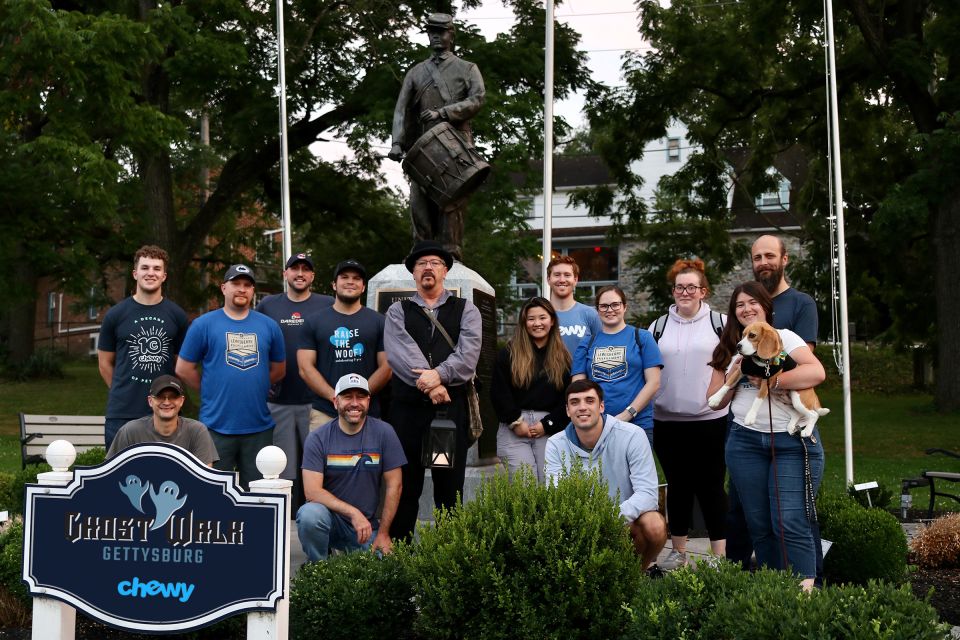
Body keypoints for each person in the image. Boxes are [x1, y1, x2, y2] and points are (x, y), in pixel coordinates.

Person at [706, 281, 825, 590]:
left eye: (752, 303)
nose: (746, 309)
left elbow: (816, 373)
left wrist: (770, 379)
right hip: (744, 441)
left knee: (789, 521)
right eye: (739, 305)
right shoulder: (734, 345)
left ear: (765, 306)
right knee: (758, 524)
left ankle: (806, 593)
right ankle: (776, 591)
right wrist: (733, 371)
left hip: (790, 440)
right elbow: (711, 398)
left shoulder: (783, 337)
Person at [383, 240, 482, 541]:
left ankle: (448, 563)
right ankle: (400, 557)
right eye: (421, 263)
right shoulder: (398, 311)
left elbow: (467, 357)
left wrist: (437, 377)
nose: (428, 267)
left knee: (449, 489)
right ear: (413, 272)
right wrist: (430, 384)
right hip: (406, 413)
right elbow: (400, 353)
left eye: (435, 263)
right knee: (406, 486)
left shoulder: (467, 310)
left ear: (445, 271)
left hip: (450, 411)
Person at [175, 264, 285, 490]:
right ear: (223, 288)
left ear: (253, 291)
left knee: (258, 495)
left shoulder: (269, 326)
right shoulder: (203, 324)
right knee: (212, 494)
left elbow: (279, 370)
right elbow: (184, 368)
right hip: (216, 426)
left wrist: (258, 385)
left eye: (247, 285)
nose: (242, 289)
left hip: (258, 427)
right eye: (236, 284)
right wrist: (209, 389)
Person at [649, 259, 728, 569]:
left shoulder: (719, 323)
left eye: (691, 286)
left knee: (711, 487)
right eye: (679, 287)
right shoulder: (657, 327)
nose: (685, 292)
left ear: (702, 291)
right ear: (673, 291)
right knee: (678, 486)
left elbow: (735, 365)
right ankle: (679, 552)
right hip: (667, 421)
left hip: (710, 420)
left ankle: (719, 556)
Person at [388, 13, 485, 260]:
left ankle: (451, 252)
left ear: (451, 35)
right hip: (423, 146)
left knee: (453, 201)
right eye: (431, 32)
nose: (435, 36)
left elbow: (477, 99)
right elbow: (401, 109)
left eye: (440, 32)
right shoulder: (416, 72)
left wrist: (444, 112)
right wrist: (398, 142)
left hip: (457, 144)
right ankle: (421, 251)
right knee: (418, 200)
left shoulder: (467, 68)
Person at [545, 380, 667, 572]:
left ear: (601, 406)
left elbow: (648, 495)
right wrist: (589, 522)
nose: (582, 407)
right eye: (575, 402)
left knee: (655, 525)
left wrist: (609, 518)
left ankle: (635, 577)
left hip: (626, 522)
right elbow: (556, 494)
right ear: (567, 411)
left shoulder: (633, 435)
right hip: (581, 527)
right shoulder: (555, 444)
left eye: (589, 400)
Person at [296, 374, 406, 561]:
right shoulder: (318, 438)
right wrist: (353, 513)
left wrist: (384, 533)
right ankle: (319, 569)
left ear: (368, 401)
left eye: (360, 397)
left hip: (365, 528)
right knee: (309, 515)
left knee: (384, 570)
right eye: (348, 397)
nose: (355, 403)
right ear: (335, 402)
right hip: (330, 521)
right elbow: (312, 492)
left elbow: (395, 485)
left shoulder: (384, 432)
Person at [256, 253, 333, 504]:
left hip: (317, 401)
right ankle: (285, 521)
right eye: (294, 268)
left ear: (312, 276)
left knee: (318, 464)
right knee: (283, 468)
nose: (300, 273)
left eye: (305, 269)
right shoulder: (268, 305)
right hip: (279, 400)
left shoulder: (327, 304)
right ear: (285, 274)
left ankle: (316, 517)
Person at [98, 245, 189, 450]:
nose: (150, 273)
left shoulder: (177, 316)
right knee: (119, 477)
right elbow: (104, 363)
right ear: (135, 273)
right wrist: (121, 392)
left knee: (166, 475)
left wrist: (170, 400)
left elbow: (181, 365)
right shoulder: (116, 315)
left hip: (166, 412)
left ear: (164, 276)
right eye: (145, 267)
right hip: (122, 413)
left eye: (157, 269)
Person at [298, 259, 391, 427]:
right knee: (323, 454)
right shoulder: (314, 322)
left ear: (363, 287)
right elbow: (305, 368)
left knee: (369, 455)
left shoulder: (380, 322)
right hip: (325, 412)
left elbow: (387, 367)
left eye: (356, 278)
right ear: (334, 284)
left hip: (367, 413)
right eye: (344, 277)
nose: (350, 281)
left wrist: (358, 399)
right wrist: (336, 397)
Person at [490, 297, 571, 483]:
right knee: (525, 487)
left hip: (550, 430)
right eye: (531, 319)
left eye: (542, 318)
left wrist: (548, 424)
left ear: (552, 321)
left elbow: (567, 399)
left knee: (551, 487)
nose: (537, 323)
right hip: (515, 429)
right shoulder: (509, 353)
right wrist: (515, 422)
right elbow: (498, 392)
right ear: (524, 323)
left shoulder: (564, 358)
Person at [572, 286, 663, 446]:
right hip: (596, 426)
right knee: (599, 471)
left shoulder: (643, 338)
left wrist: (627, 414)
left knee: (636, 471)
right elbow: (577, 386)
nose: (610, 310)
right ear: (598, 310)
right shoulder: (587, 342)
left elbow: (654, 383)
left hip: (637, 424)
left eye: (615, 304)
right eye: (604, 306)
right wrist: (592, 418)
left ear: (624, 306)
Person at [107, 374, 218, 466]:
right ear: (150, 401)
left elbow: (205, 475)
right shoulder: (130, 431)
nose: (166, 402)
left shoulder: (197, 431)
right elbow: (112, 471)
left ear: (181, 401)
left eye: (173, 397)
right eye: (160, 396)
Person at [547, 255, 601, 355]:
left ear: (575, 280)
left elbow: (601, 351)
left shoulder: (590, 314)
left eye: (567, 275)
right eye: (557, 275)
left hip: (581, 371)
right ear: (548, 279)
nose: (562, 280)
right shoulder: (540, 315)